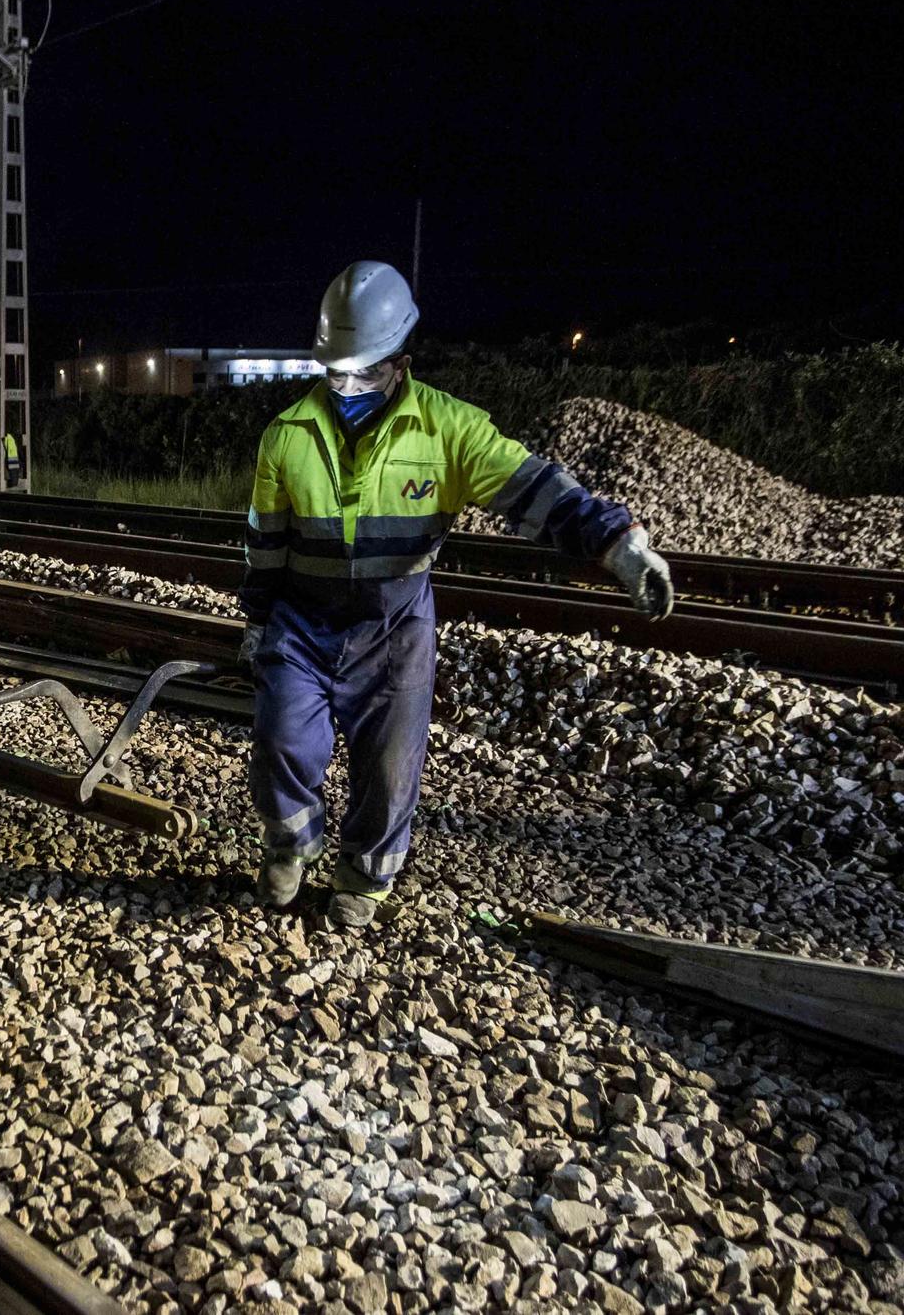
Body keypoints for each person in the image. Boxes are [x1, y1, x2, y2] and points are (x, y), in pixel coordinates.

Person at [240, 261, 674, 927]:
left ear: (400, 361)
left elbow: (534, 490)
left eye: (364, 369)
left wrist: (618, 545)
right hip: (303, 619)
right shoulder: (287, 435)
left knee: (389, 769)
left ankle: (363, 878)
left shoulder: (450, 430)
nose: (348, 383)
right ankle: (291, 845)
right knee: (281, 741)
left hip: (393, 625)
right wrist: (258, 619)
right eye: (337, 370)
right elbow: (265, 542)